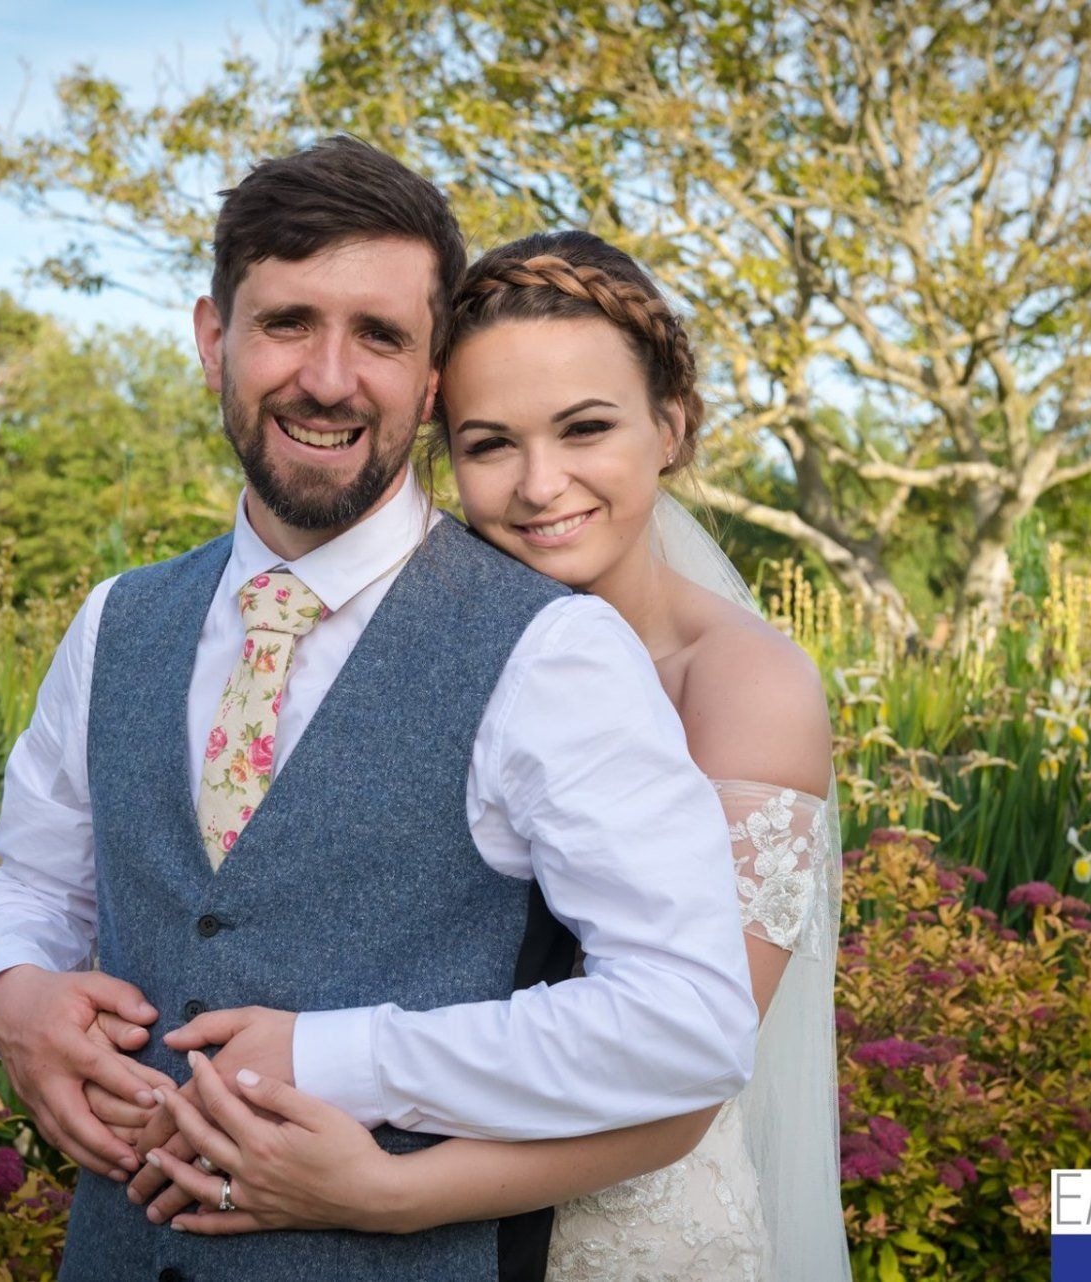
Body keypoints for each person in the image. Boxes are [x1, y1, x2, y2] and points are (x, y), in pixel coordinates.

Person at [0, 139, 761, 1282]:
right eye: (287, 322)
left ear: (431, 380)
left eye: (379, 336)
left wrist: (341, 1057)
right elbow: (34, 881)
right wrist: (7, 993)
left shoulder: (552, 652)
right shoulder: (111, 622)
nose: (329, 378)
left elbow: (688, 1021)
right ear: (210, 338)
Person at [99, 231, 852, 1281]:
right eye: (491, 444)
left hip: (611, 1225)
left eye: (585, 429)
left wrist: (389, 1195)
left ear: (672, 427)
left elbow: (688, 1077)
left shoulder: (743, 686)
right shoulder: (441, 644)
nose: (542, 486)